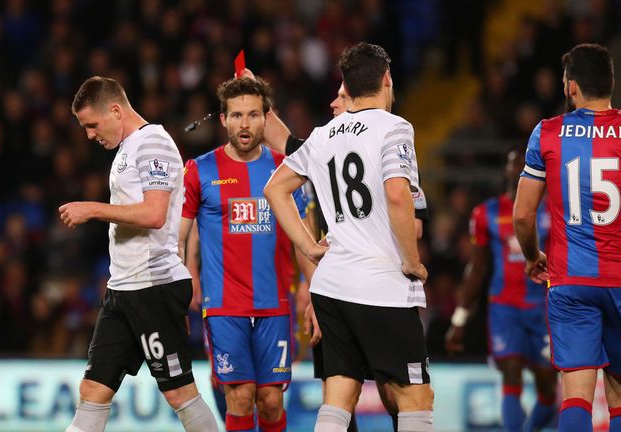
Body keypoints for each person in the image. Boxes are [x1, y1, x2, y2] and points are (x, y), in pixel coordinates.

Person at [247, 68, 430, 432]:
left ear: (356, 101)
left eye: (342, 97)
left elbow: (277, 175)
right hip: (379, 286)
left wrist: (312, 248)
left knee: (342, 394)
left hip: (334, 285)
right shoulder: (356, 140)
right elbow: (279, 136)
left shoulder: (327, 141)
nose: (333, 102)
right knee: (411, 396)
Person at [59, 76, 219, 432]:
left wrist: (93, 209)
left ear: (115, 110)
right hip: (124, 289)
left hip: (153, 286)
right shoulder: (127, 150)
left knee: (179, 394)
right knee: (92, 390)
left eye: (92, 125)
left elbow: (154, 214)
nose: (89, 135)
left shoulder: (153, 144)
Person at [179, 76, 313, 432]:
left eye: (253, 115)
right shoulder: (199, 170)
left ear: (266, 119)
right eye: (236, 115)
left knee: (270, 401)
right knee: (240, 396)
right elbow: (177, 237)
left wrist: (311, 291)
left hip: (274, 303)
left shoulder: (286, 170)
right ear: (222, 119)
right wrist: (178, 287)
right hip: (224, 305)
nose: (244, 123)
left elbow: (303, 239)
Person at [514, 43, 621, 432]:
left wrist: (532, 256)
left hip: (571, 281)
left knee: (576, 396)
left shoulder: (547, 133)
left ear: (571, 87)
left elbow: (524, 215)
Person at [445, 147, 558, 431]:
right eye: (513, 163)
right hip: (504, 309)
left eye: (524, 163)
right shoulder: (486, 213)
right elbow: (477, 267)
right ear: (506, 171)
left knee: (548, 392)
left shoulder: (551, 212)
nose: (518, 167)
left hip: (542, 309)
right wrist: (459, 318)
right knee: (511, 375)